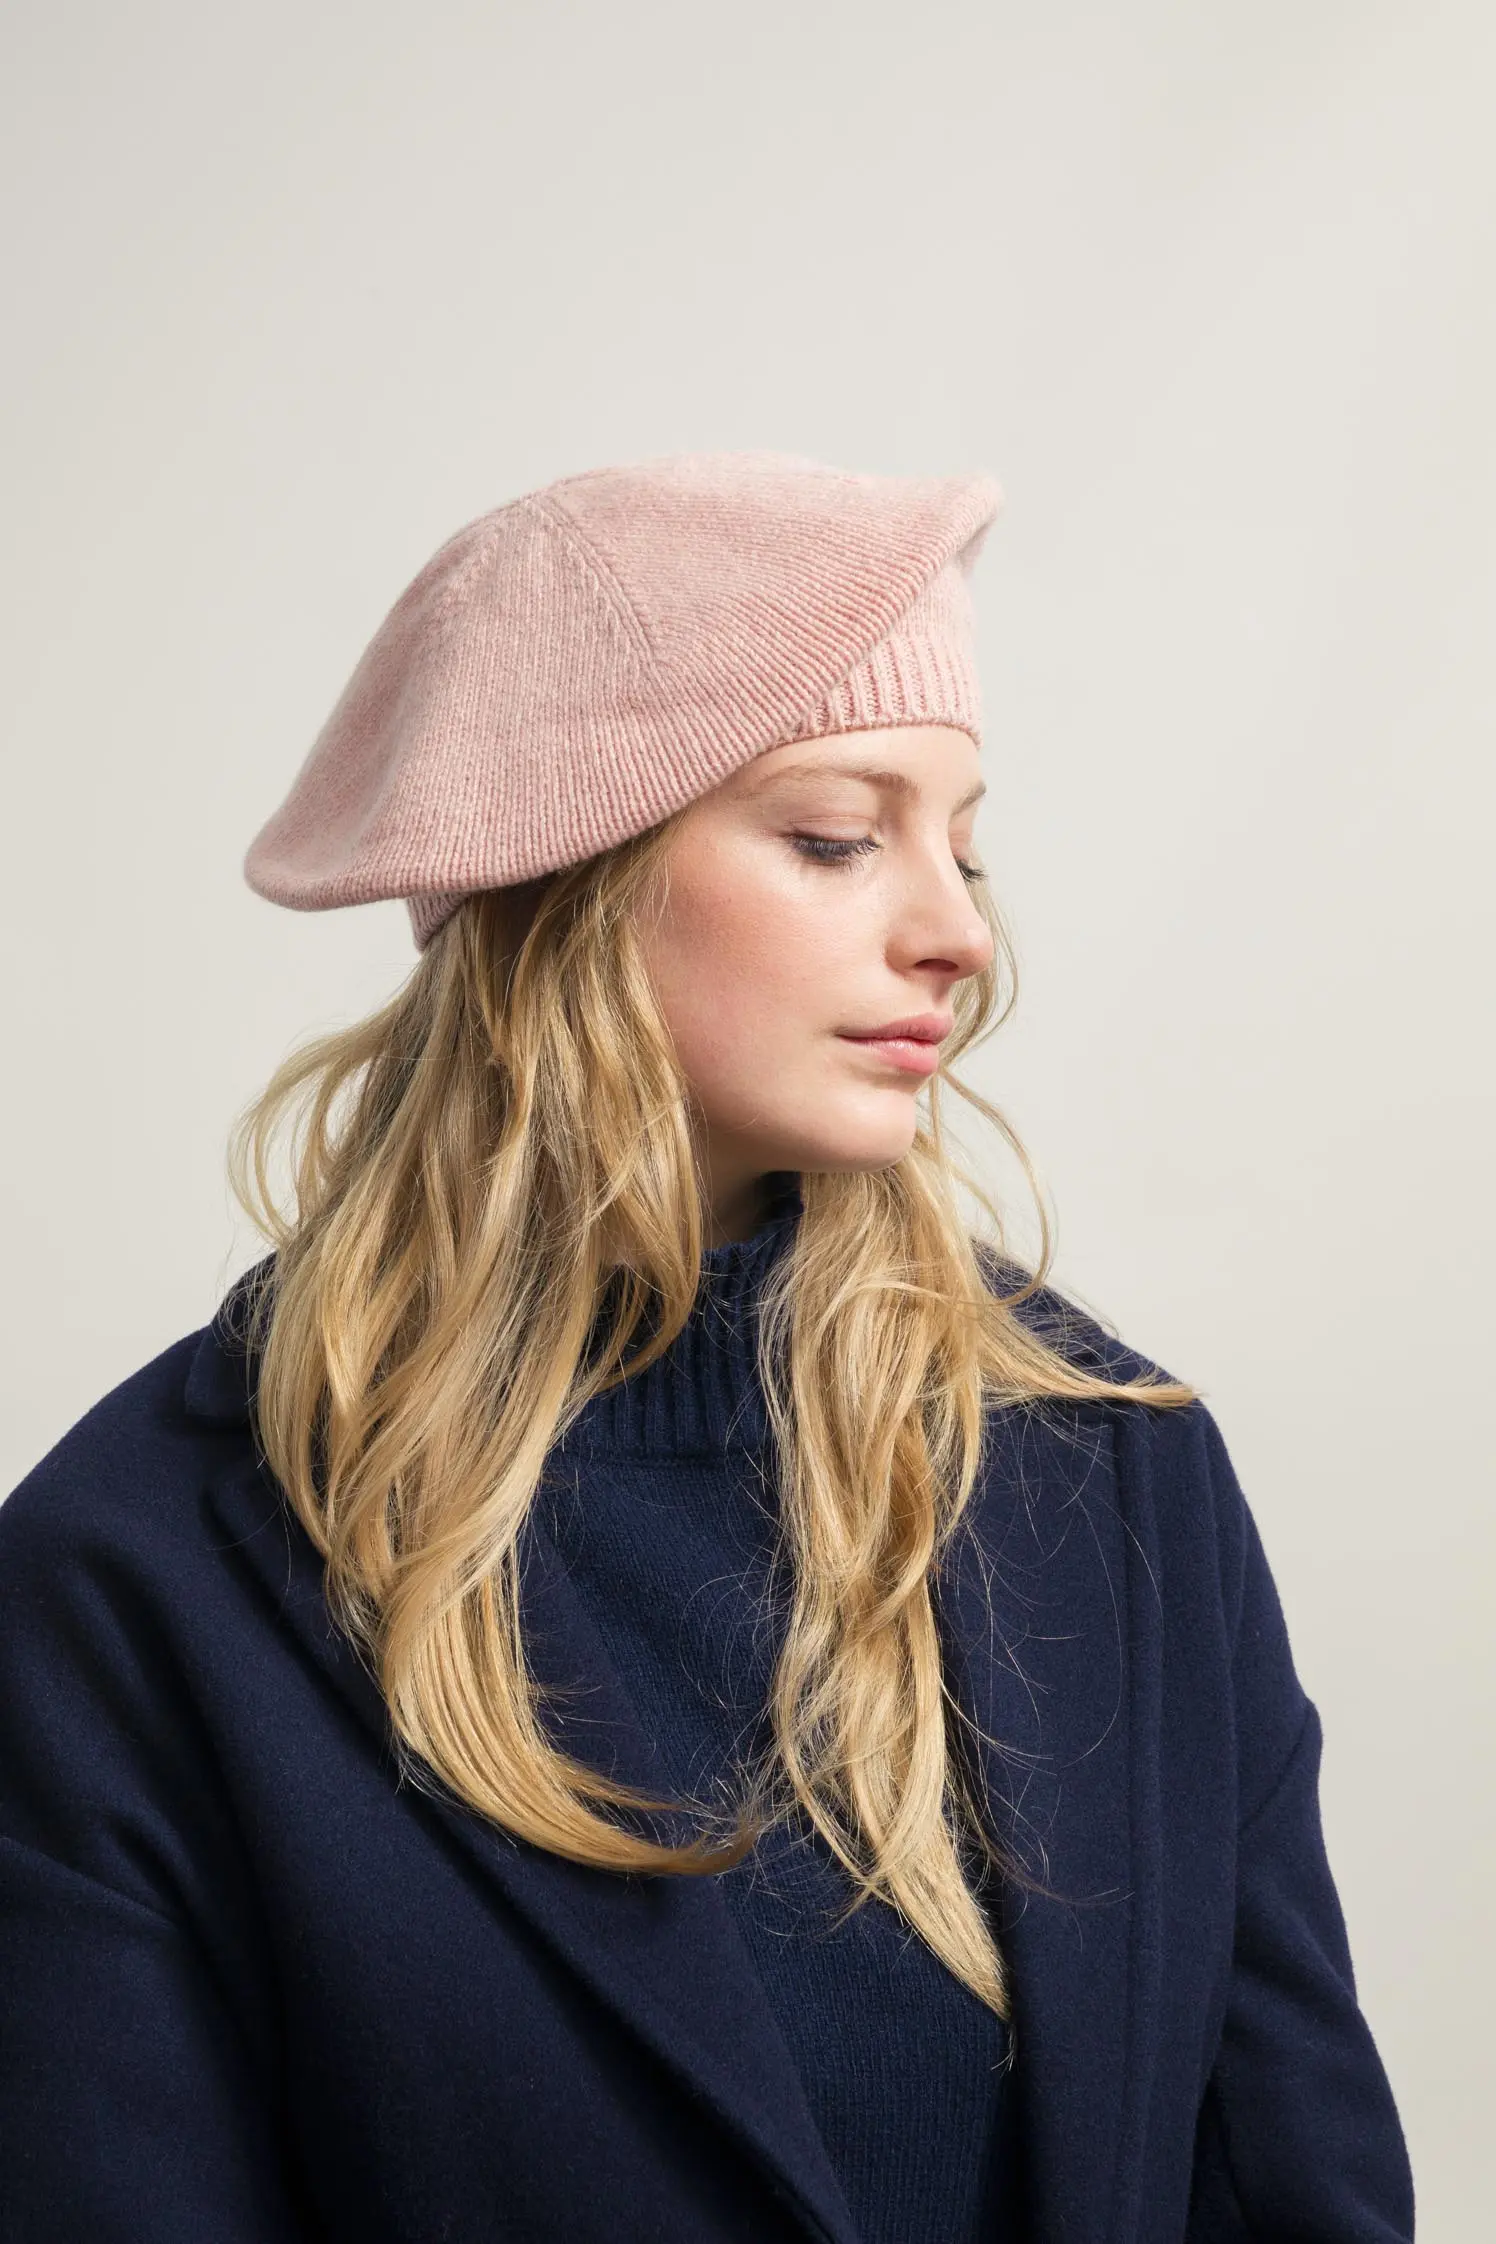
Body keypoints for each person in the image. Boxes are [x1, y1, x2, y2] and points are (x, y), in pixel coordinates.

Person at [0, 451, 1414, 2242]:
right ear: (560, 878)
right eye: (837, 837)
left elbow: (1291, 2181)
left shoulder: (1112, 1467)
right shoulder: (138, 1575)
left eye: (965, 843)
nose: (959, 933)